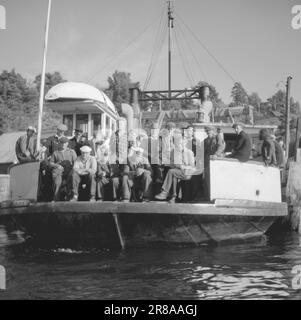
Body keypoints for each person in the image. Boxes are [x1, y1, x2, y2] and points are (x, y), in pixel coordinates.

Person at [155, 138, 196, 203]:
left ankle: (165, 192)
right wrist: (175, 165)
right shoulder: (173, 152)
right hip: (177, 172)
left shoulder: (189, 152)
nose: (179, 145)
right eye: (177, 144)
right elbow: (171, 164)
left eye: (180, 143)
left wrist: (182, 166)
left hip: (187, 173)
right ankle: (174, 197)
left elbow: (193, 166)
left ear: (184, 143)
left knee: (171, 172)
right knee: (173, 174)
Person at [49, 137, 77, 201]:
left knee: (72, 178)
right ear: (59, 143)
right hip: (59, 172)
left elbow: (76, 163)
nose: (63, 145)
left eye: (65, 143)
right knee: (57, 182)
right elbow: (50, 163)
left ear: (67, 144)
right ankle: (56, 198)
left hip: (69, 171)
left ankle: (71, 197)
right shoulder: (56, 152)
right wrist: (57, 165)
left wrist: (72, 170)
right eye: (62, 143)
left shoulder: (71, 152)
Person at [203, 126, 225, 200]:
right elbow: (203, 152)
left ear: (213, 131)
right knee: (207, 180)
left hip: (215, 162)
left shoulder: (217, 137)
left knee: (216, 179)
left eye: (209, 131)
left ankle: (217, 196)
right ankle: (208, 197)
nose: (208, 132)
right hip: (207, 163)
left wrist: (216, 154)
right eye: (207, 131)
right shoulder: (205, 140)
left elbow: (221, 146)